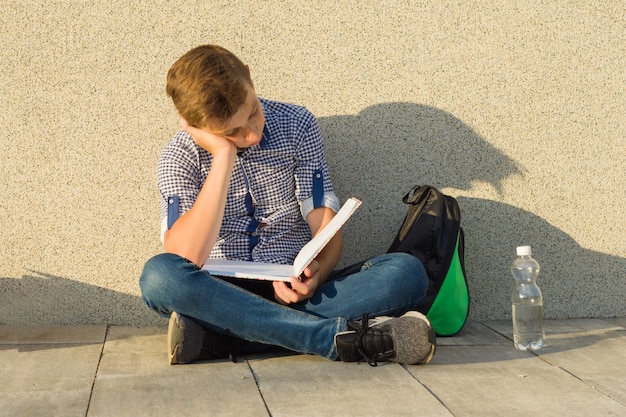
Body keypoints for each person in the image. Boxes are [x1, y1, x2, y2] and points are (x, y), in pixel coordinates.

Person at [139, 44, 436, 366]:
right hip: (218, 294)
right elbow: (184, 256)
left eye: (252, 112)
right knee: (159, 276)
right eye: (232, 132)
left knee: (406, 272)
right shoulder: (179, 157)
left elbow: (323, 219)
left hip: (292, 285)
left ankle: (219, 339)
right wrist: (222, 157)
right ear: (196, 126)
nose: (251, 134)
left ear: (249, 77)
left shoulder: (297, 124)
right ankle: (330, 339)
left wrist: (317, 274)